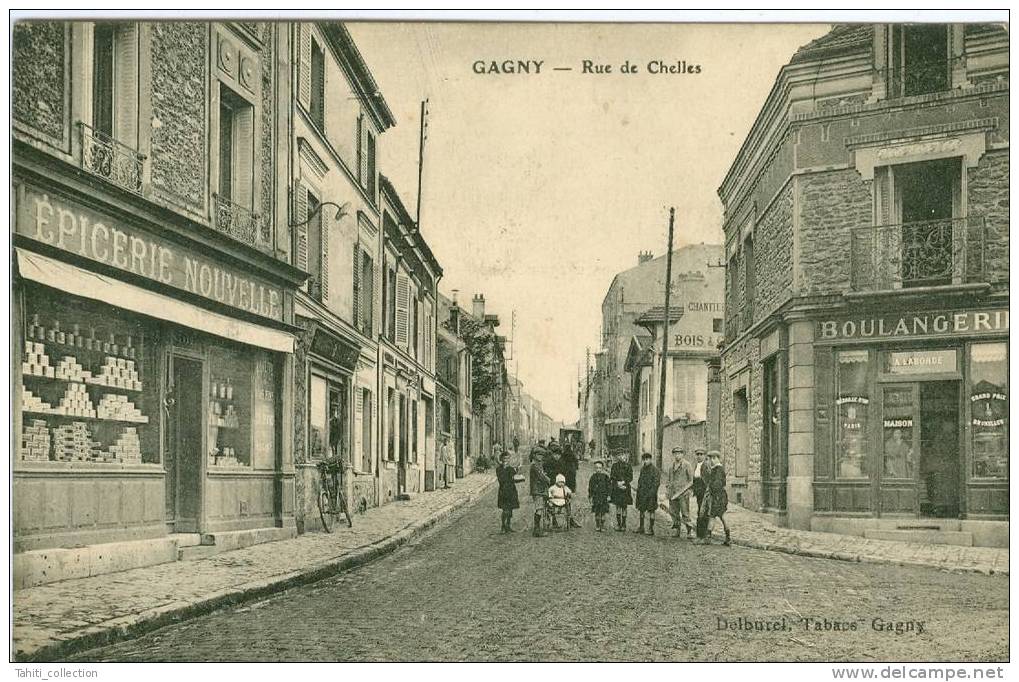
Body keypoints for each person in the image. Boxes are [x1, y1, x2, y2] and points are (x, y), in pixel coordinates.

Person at [701, 450, 731, 546]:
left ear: (718, 459)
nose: (712, 461)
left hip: (717, 496)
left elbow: (717, 484)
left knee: (713, 516)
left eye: (714, 458)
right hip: (720, 496)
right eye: (711, 459)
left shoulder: (718, 470)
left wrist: (711, 488)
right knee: (721, 516)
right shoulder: (716, 469)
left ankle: (708, 538)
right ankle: (727, 538)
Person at [667, 447, 695, 538]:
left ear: (682, 454)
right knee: (674, 512)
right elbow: (669, 480)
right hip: (673, 493)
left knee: (685, 512)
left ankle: (689, 532)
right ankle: (677, 530)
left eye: (679, 453)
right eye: (675, 453)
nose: (677, 455)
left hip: (683, 493)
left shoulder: (687, 465)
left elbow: (691, 481)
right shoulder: (672, 466)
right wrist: (668, 490)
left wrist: (684, 490)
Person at [634, 452, 661, 535]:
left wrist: (652, 492)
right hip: (642, 493)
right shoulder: (642, 469)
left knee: (651, 511)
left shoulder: (655, 470)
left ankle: (651, 528)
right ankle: (641, 527)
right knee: (641, 510)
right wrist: (639, 490)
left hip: (651, 494)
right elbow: (640, 480)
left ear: (650, 459)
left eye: (647, 459)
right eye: (644, 460)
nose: (645, 461)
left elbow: (656, 483)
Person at [495, 450, 520, 533]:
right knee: (505, 509)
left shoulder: (511, 469)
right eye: (505, 458)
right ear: (501, 459)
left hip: (511, 491)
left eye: (508, 459)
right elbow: (501, 479)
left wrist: (517, 470)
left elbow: (515, 477)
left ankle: (508, 526)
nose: (506, 460)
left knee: (510, 509)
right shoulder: (499, 469)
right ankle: (503, 526)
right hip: (503, 491)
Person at [609, 451, 633, 532]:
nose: (622, 456)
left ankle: (624, 524)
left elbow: (630, 477)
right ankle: (619, 524)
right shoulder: (614, 466)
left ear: (625, 455)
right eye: (619, 455)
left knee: (624, 507)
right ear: (617, 456)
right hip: (617, 488)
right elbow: (612, 476)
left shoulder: (628, 466)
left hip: (626, 488)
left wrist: (624, 482)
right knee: (618, 506)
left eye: (623, 454)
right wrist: (617, 483)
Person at [529, 451, 551, 537]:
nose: (540, 457)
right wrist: (548, 479)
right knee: (539, 509)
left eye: (541, 455)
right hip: (537, 490)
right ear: (535, 456)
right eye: (539, 455)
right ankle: (536, 530)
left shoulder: (538, 465)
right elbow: (541, 476)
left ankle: (537, 529)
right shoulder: (535, 466)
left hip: (540, 490)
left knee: (540, 509)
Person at [587, 460, 612, 531]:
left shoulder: (606, 477)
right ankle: (598, 525)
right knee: (597, 511)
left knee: (603, 512)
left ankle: (603, 525)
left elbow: (609, 487)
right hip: (596, 497)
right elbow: (590, 488)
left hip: (603, 496)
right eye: (597, 468)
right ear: (594, 469)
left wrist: (609, 495)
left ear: (602, 468)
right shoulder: (592, 477)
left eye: (600, 468)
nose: (598, 470)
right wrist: (590, 496)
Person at [692, 447, 708, 540]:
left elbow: (707, 479)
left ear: (704, 456)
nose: (699, 456)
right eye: (697, 454)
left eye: (701, 454)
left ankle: (703, 535)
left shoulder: (705, 465)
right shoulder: (697, 465)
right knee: (699, 511)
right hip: (698, 492)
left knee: (703, 513)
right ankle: (700, 534)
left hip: (704, 492)